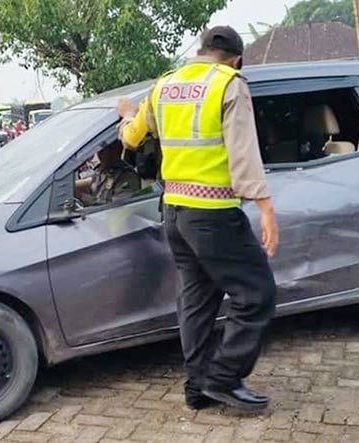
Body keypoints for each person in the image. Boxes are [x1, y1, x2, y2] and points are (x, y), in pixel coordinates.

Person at [116, 26, 279, 412]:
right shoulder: (229, 83)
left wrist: (127, 116)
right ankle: (223, 378)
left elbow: (132, 138)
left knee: (197, 301)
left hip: (174, 213)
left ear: (202, 50)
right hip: (214, 213)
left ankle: (198, 388)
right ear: (236, 58)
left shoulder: (165, 84)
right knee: (257, 294)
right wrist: (266, 208)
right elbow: (243, 151)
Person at [75, 142, 142, 206]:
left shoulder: (127, 177)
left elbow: (116, 209)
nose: (100, 154)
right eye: (99, 151)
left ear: (117, 150)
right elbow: (92, 184)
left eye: (105, 150)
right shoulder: (102, 170)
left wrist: (82, 197)